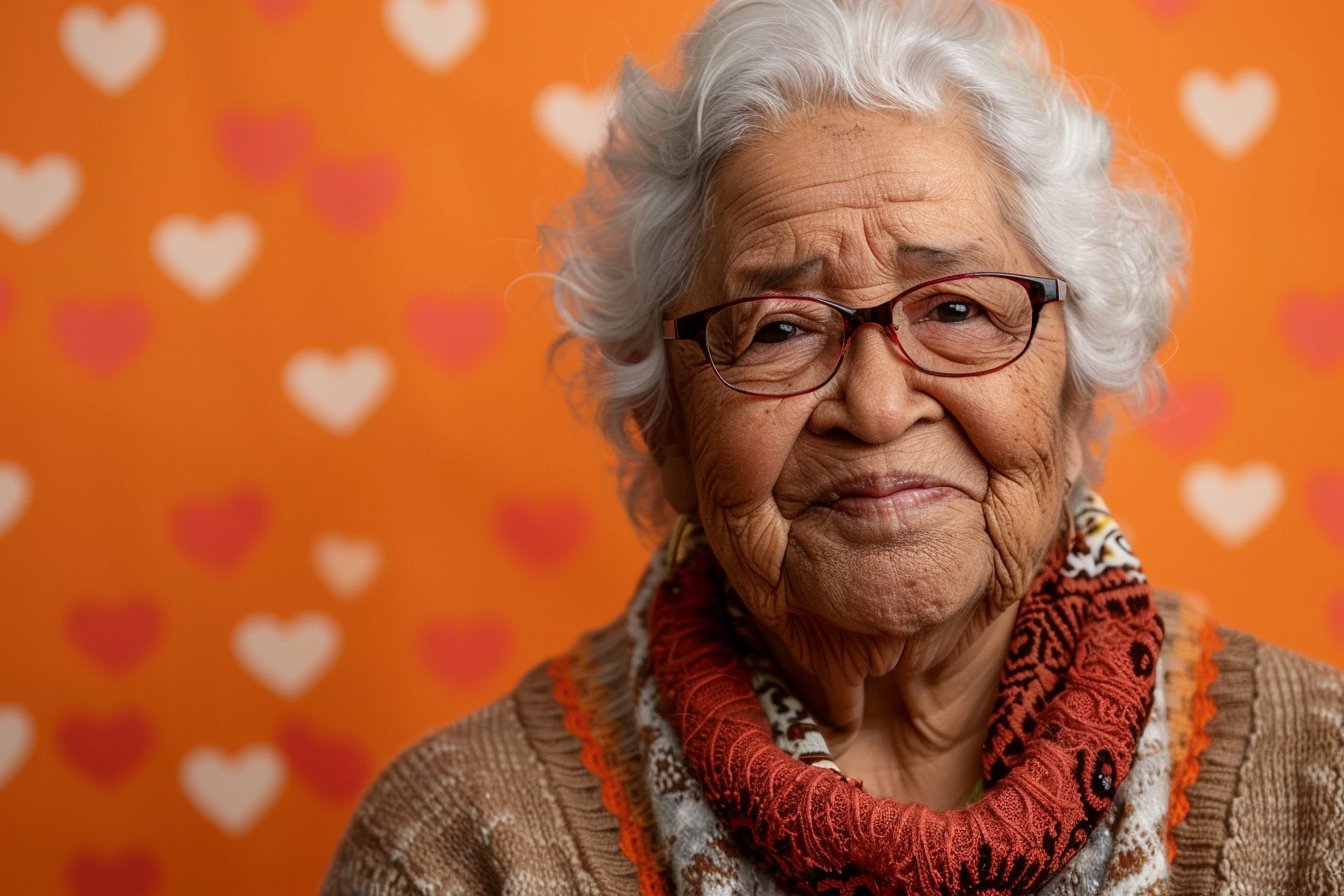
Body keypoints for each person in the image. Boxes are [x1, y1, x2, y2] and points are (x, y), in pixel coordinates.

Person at [321, 0, 1344, 893]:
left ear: (1074, 396)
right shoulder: (460, 846)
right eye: (779, 328)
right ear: (667, 427)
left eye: (955, 308)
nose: (878, 405)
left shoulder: (1322, 788)